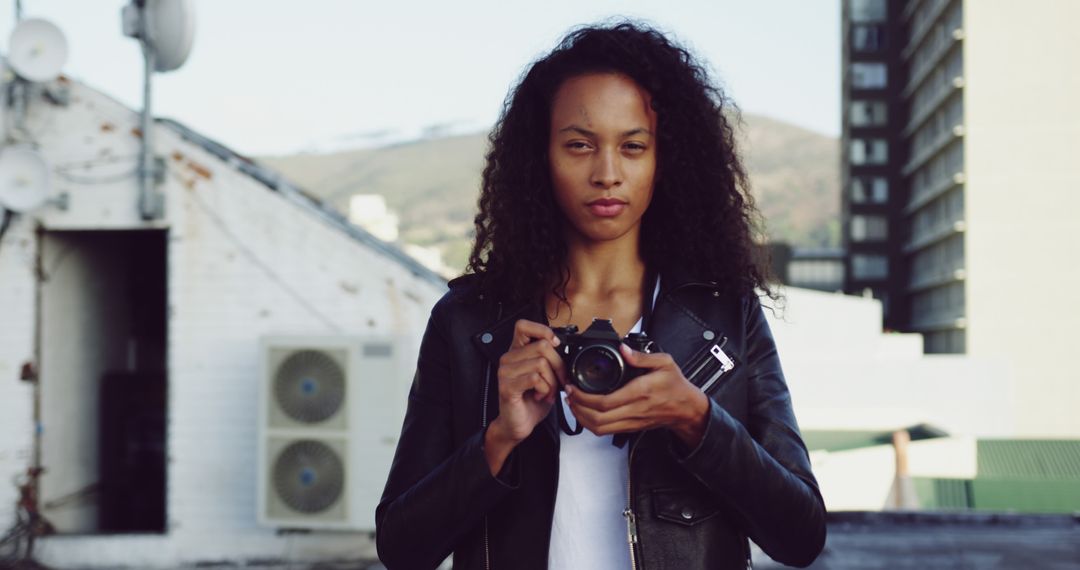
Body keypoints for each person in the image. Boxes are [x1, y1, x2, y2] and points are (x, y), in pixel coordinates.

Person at [376, 22, 826, 569]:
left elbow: (801, 537)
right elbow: (401, 549)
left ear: (666, 160)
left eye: (633, 146)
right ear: (540, 156)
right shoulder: (468, 321)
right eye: (579, 145)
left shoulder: (724, 313)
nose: (607, 174)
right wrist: (499, 437)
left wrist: (695, 417)